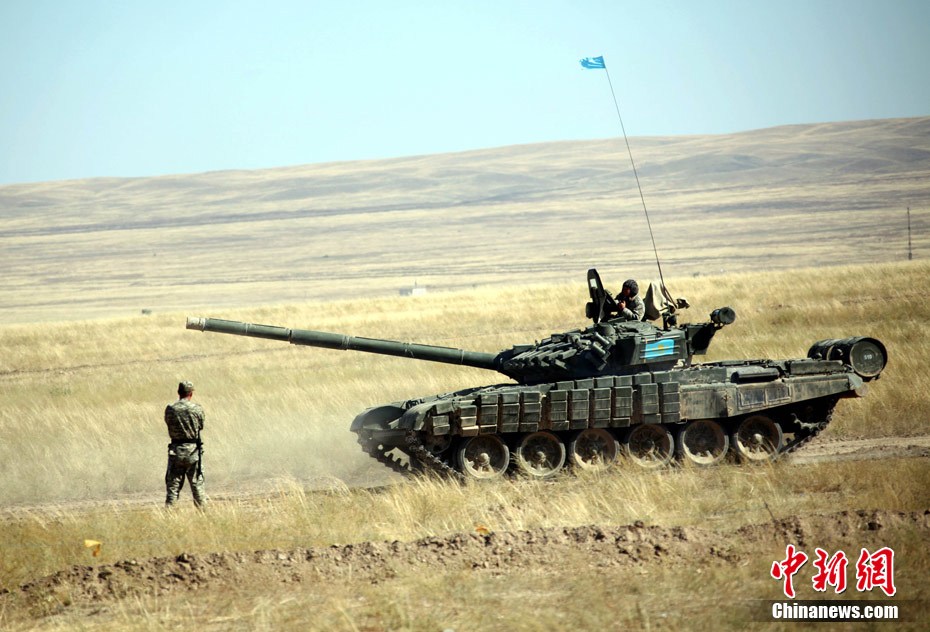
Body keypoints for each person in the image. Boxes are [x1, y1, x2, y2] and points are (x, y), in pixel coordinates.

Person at [164, 380, 206, 507]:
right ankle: (203, 513)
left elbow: (168, 423)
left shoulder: (170, 409)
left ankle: (169, 513)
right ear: (191, 393)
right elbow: (201, 426)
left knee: (173, 488)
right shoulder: (196, 409)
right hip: (193, 452)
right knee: (197, 487)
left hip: (176, 451)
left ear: (179, 392)